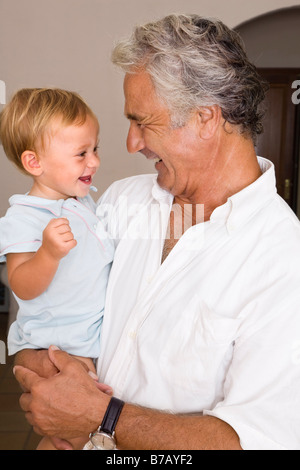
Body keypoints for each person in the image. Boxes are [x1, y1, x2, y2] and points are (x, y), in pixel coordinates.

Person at [13, 14, 300, 450]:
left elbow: (256, 441)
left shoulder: (282, 256)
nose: (131, 143)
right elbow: (51, 307)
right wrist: (45, 373)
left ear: (205, 118)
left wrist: (99, 417)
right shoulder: (120, 202)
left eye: (142, 121)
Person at [0, 88, 114, 449]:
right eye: (81, 153)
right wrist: (47, 254)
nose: (93, 162)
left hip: (83, 342)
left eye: (94, 149)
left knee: (76, 438)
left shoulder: (84, 203)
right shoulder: (24, 216)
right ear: (35, 163)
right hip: (56, 345)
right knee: (76, 434)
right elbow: (22, 284)